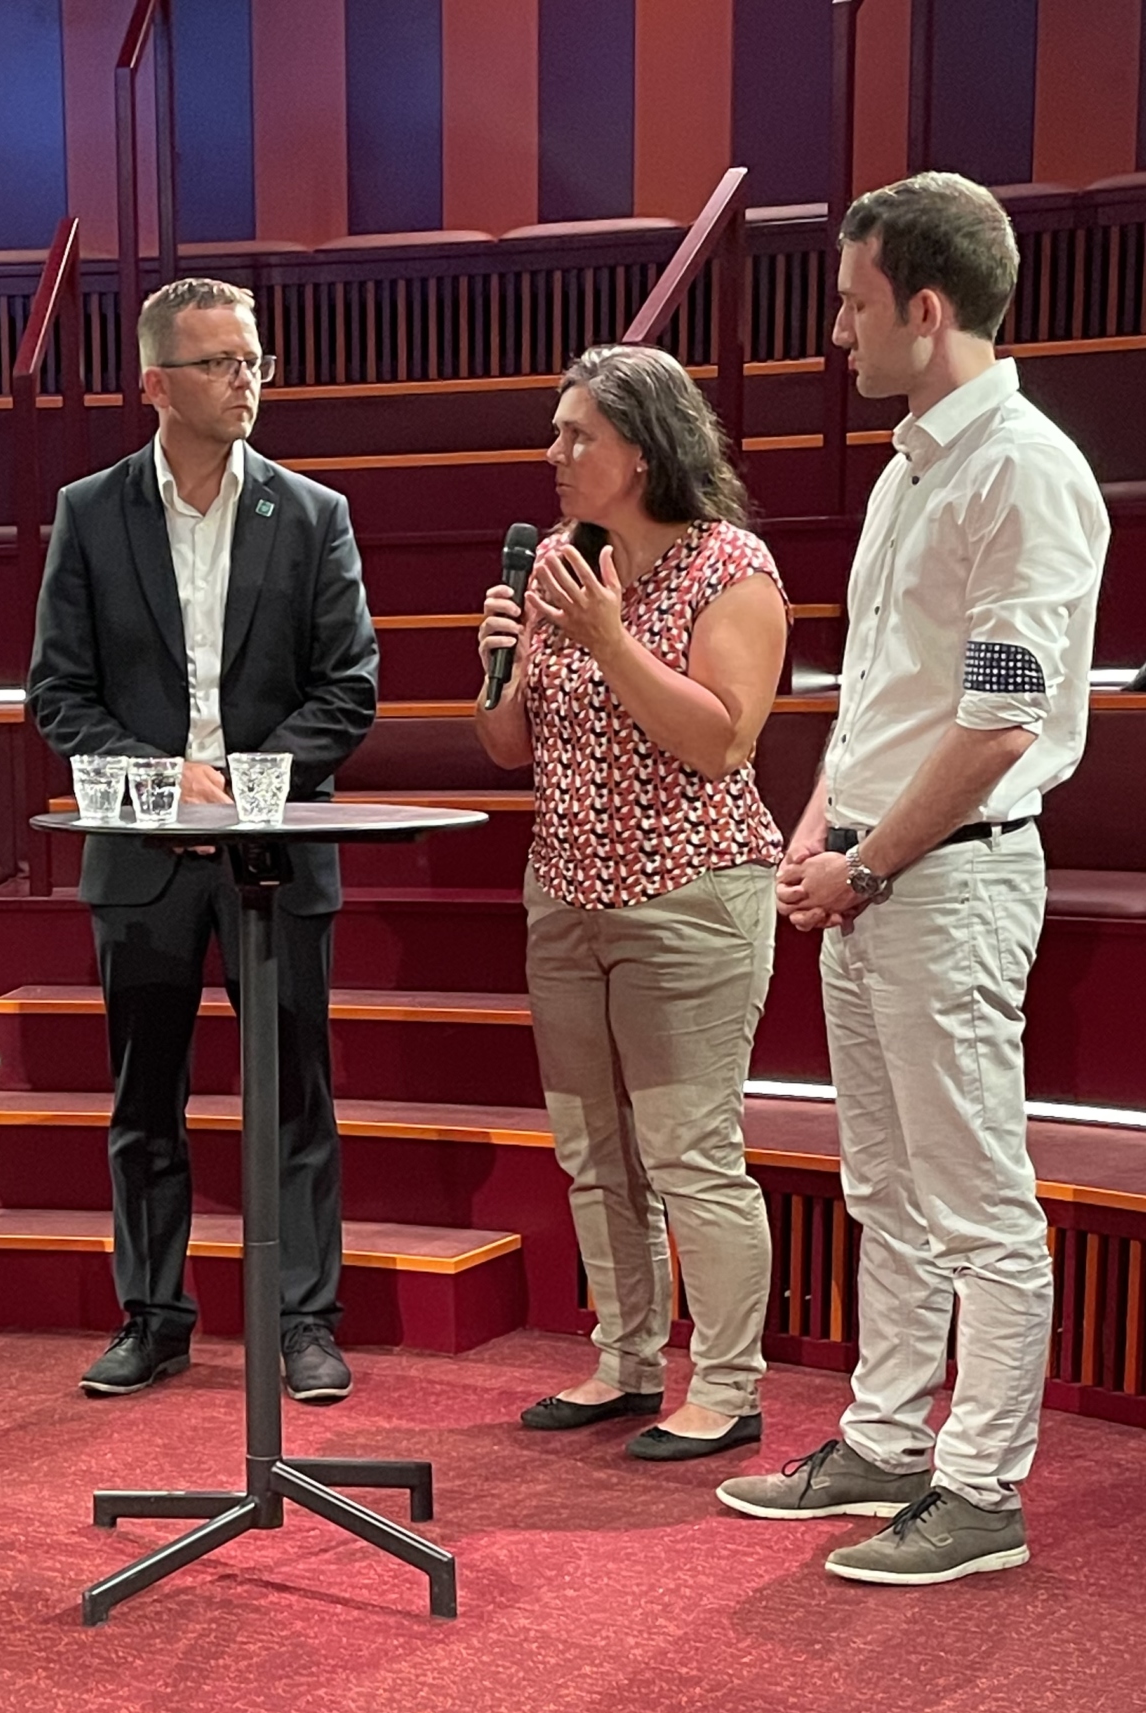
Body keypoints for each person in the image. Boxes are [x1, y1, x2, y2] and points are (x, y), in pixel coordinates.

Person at [717, 173, 1109, 1583]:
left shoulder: (1022, 472)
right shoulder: (909, 468)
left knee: (976, 1202)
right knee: (883, 1186)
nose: (837, 331)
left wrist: (866, 867)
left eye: (853, 302)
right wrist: (817, 827)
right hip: (876, 870)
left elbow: (998, 723)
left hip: (948, 880)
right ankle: (885, 1439)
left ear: (926, 309)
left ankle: (981, 1486)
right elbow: (882, 691)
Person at [27, 277, 378, 1405]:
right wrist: (159, 777)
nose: (245, 381)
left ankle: (304, 1319)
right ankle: (153, 1314)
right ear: (156, 383)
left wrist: (239, 785)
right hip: (142, 857)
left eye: (252, 360)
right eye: (220, 363)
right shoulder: (91, 513)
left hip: (273, 854)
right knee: (145, 1101)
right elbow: (58, 694)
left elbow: (349, 689)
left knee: (296, 1096)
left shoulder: (312, 513)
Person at [474, 344, 790, 1460]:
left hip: (689, 896)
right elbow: (510, 746)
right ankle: (625, 1358)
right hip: (565, 891)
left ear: (645, 452)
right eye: (557, 432)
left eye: (579, 436)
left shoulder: (730, 567)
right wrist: (498, 667)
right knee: (591, 1149)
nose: (554, 454)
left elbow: (721, 740)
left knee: (689, 1152)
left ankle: (729, 1386)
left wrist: (608, 639)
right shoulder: (561, 562)